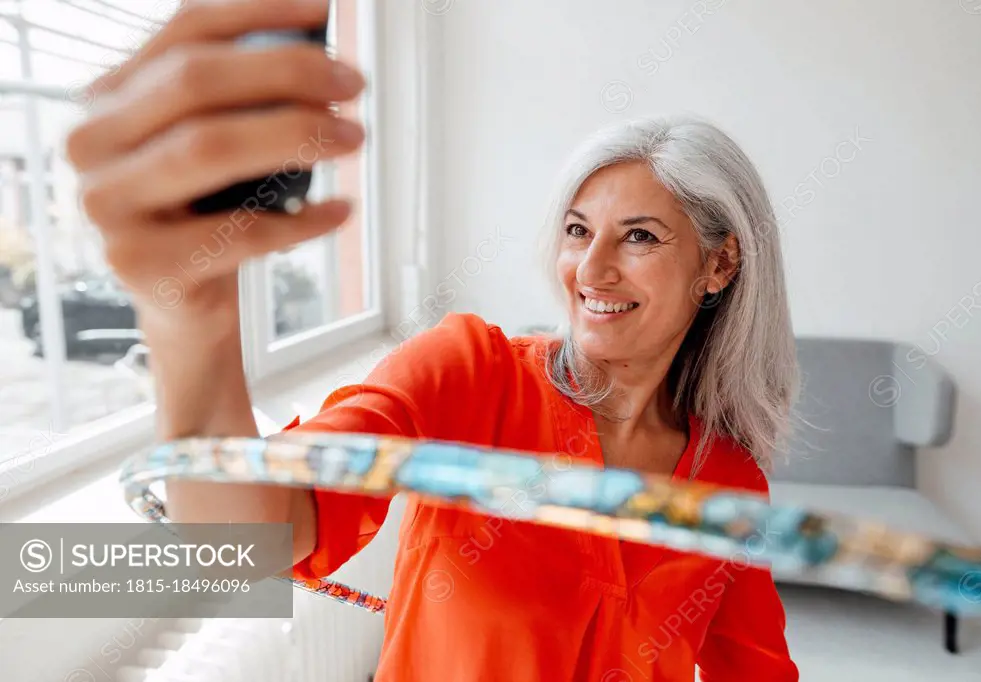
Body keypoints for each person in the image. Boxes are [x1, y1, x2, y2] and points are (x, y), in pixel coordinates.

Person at [65, 0, 800, 679]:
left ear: (720, 262)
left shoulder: (730, 481)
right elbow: (244, 543)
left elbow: (758, 670)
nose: (591, 269)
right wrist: (188, 310)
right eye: (578, 231)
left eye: (639, 236)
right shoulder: (471, 374)